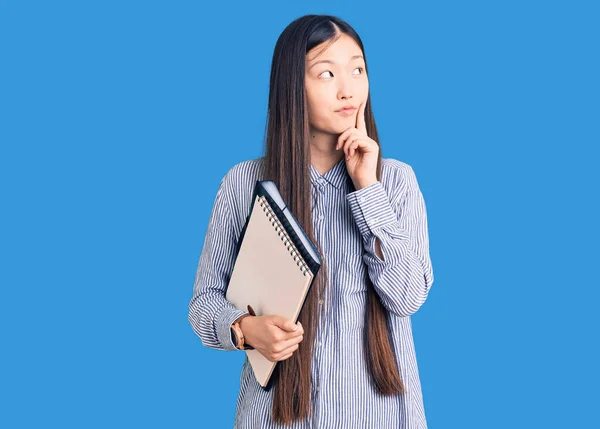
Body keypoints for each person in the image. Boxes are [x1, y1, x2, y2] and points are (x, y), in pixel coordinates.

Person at [188, 14, 434, 429]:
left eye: (358, 69)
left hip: (380, 416)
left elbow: (407, 296)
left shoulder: (396, 182)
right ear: (292, 87)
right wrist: (245, 329)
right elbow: (203, 303)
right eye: (326, 73)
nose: (348, 89)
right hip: (276, 417)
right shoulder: (243, 184)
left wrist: (366, 189)